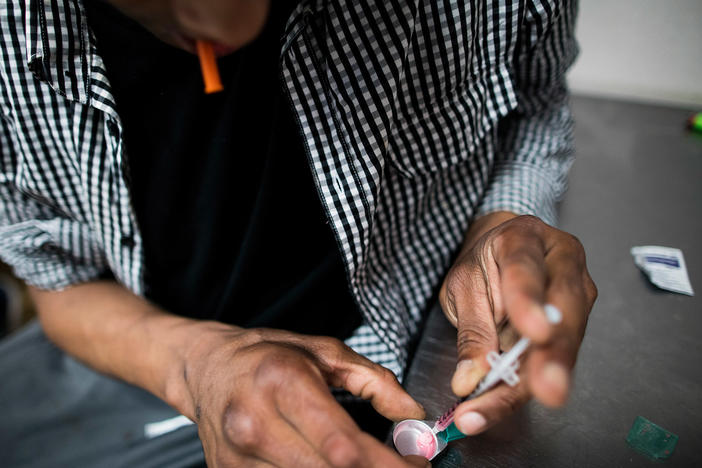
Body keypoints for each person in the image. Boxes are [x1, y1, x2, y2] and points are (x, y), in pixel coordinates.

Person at [0, 0, 596, 467]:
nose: (226, 20)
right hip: (141, 362)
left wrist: (502, 222)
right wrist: (193, 366)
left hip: (419, 356)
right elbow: (57, 278)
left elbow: (537, 112)